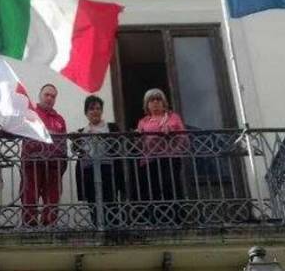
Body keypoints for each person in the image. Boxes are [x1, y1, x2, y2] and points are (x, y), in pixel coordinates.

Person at [135, 88, 187, 225]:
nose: (156, 102)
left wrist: (174, 142)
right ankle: (157, 219)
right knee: (153, 189)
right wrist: (137, 136)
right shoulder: (143, 122)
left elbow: (183, 136)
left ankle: (177, 218)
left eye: (158, 99)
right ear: (147, 104)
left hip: (170, 158)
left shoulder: (173, 117)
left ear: (164, 103)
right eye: (152, 100)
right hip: (150, 160)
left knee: (171, 185)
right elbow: (139, 145)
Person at [72, 95, 123, 228]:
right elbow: (75, 149)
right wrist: (74, 139)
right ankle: (97, 227)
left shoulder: (111, 127)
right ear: (86, 113)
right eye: (91, 109)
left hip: (108, 170)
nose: (95, 111)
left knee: (110, 200)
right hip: (89, 171)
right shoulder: (82, 131)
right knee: (93, 202)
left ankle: (113, 229)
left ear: (101, 111)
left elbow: (119, 146)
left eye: (98, 108)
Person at [21, 84, 67, 226]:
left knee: (52, 197)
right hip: (32, 162)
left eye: (53, 96)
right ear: (40, 95)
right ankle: (30, 225)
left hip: (54, 164)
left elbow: (64, 143)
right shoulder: (30, 113)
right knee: (29, 195)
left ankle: (49, 224)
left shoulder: (59, 119)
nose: (49, 98)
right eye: (47, 95)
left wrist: (62, 164)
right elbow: (16, 129)